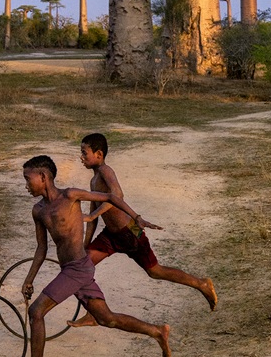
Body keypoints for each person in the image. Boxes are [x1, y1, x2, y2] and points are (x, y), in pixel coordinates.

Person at [6, 155, 171, 357]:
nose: (25, 184)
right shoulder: (38, 210)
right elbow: (41, 248)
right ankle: (157, 332)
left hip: (78, 268)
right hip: (71, 269)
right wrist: (28, 279)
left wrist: (136, 218)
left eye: (27, 178)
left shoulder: (70, 196)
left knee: (36, 312)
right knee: (106, 318)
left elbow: (111, 197)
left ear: (43, 177)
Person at [68, 133, 217, 328]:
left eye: (84, 153)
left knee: (155, 271)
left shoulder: (106, 171)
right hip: (111, 236)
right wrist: (85, 244)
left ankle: (201, 284)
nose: (81, 157)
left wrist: (93, 216)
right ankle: (94, 313)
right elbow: (92, 219)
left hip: (129, 232)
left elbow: (117, 195)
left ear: (99, 154)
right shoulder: (93, 181)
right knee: (83, 264)